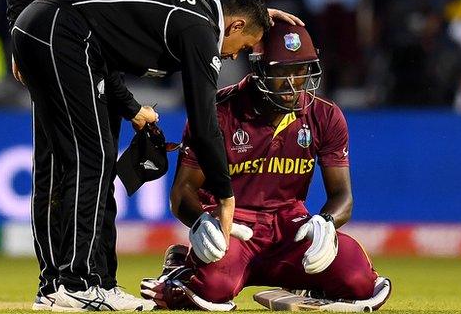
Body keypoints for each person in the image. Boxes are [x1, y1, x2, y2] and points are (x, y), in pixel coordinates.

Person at [6, 0, 302, 309]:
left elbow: (100, 51)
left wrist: (132, 108)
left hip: (48, 29)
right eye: (244, 44)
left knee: (77, 161)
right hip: (57, 32)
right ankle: (76, 283)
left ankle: (64, 285)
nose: (235, 54)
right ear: (234, 25)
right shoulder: (200, 28)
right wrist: (225, 196)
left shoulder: (192, 9)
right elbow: (205, 123)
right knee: (91, 159)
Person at [140, 21, 391, 311]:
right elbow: (183, 190)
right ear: (258, 69)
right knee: (215, 290)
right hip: (232, 228)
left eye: (301, 71)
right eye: (282, 72)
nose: (293, 84)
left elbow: (343, 197)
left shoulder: (325, 115)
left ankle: (301, 281)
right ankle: (181, 266)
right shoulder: (218, 111)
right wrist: (201, 221)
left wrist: (326, 222)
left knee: (360, 280)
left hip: (289, 228)